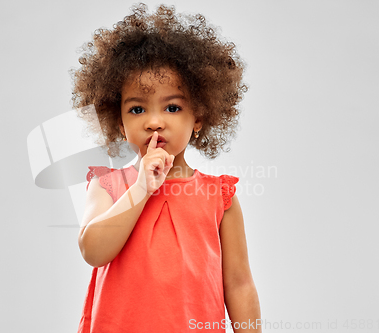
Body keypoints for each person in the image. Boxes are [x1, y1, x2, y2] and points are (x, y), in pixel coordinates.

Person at [71, 3, 261, 332]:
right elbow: (93, 250)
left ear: (198, 118)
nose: (154, 122)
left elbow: (240, 284)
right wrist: (142, 187)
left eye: (172, 107)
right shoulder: (107, 186)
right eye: (136, 110)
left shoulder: (220, 198)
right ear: (118, 122)